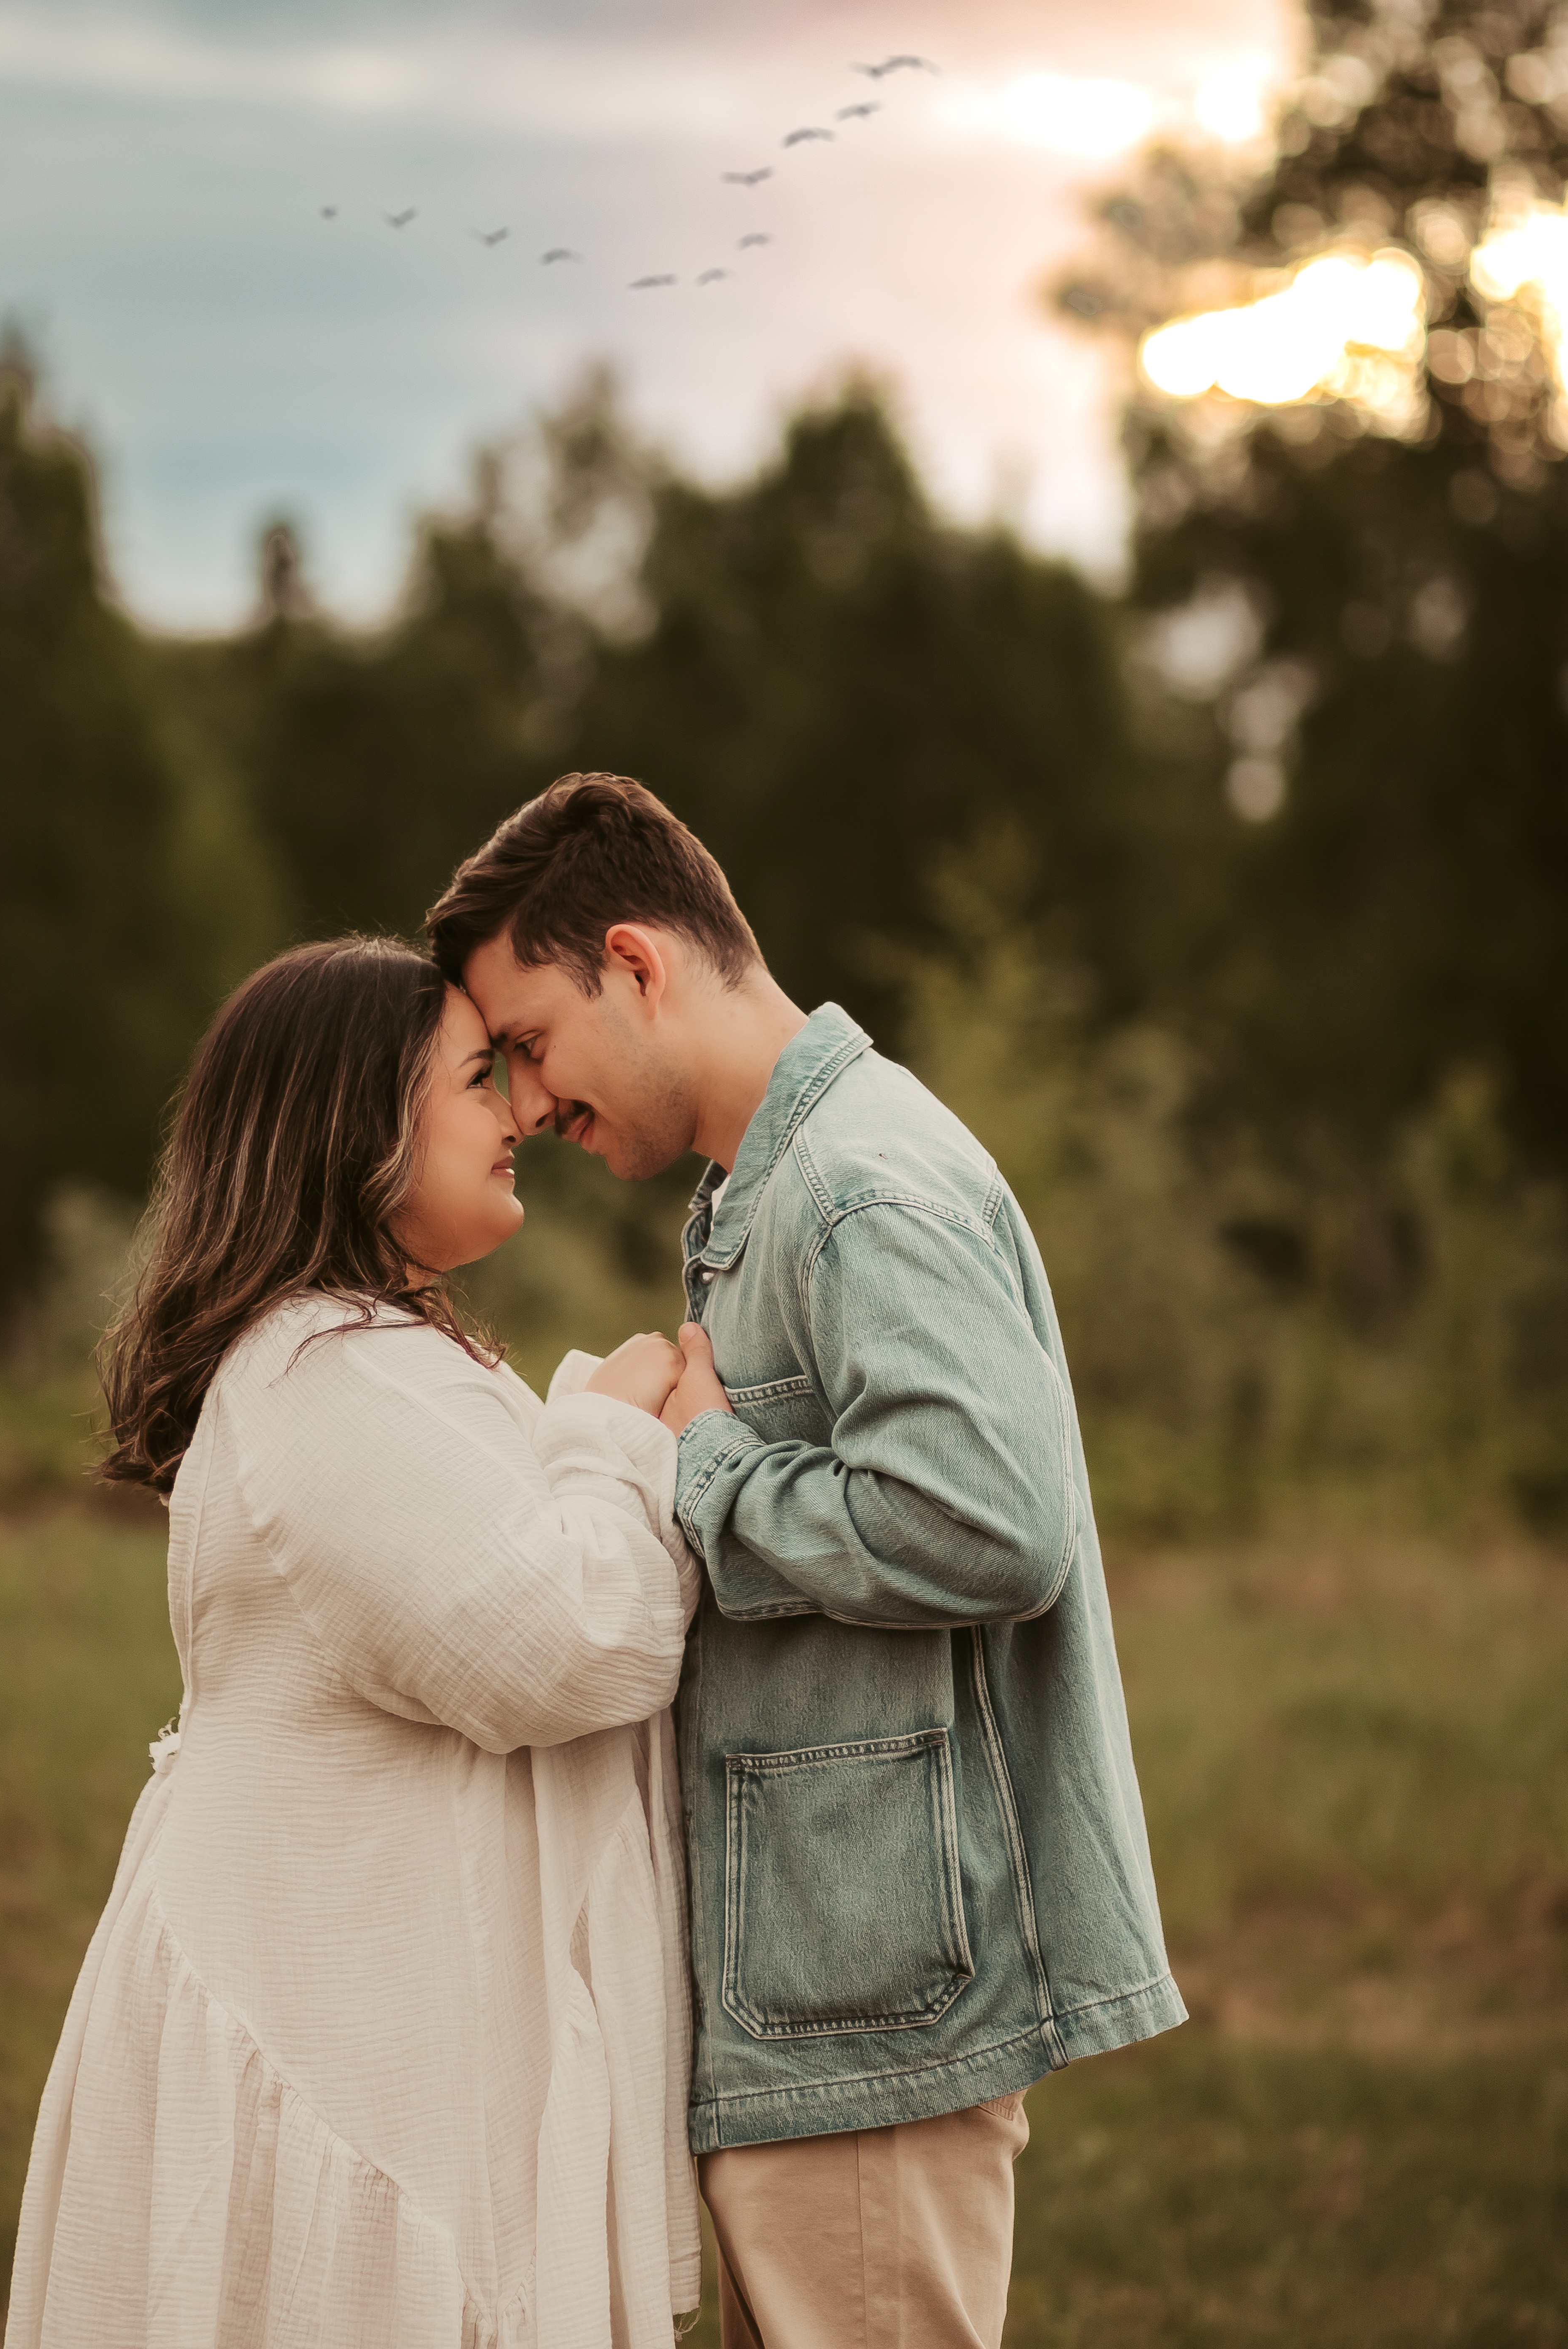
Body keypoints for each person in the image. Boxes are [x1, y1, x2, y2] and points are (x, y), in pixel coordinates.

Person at [428, 774, 1186, 2349]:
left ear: (635, 965)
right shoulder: (768, 1183)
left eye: (531, 1042)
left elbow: (992, 1520)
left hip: (874, 2012)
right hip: (825, 2000)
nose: (526, 1102)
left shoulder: (854, 1184)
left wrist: (708, 1469)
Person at [4, 936, 702, 2349]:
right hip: (334, 2036)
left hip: (367, 2007)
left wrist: (599, 1426)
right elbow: (568, 1641)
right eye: (475, 1078)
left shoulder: (364, 1359)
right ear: (356, 1124)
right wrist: (619, 1436)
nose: (518, 1112)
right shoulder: (324, 1381)